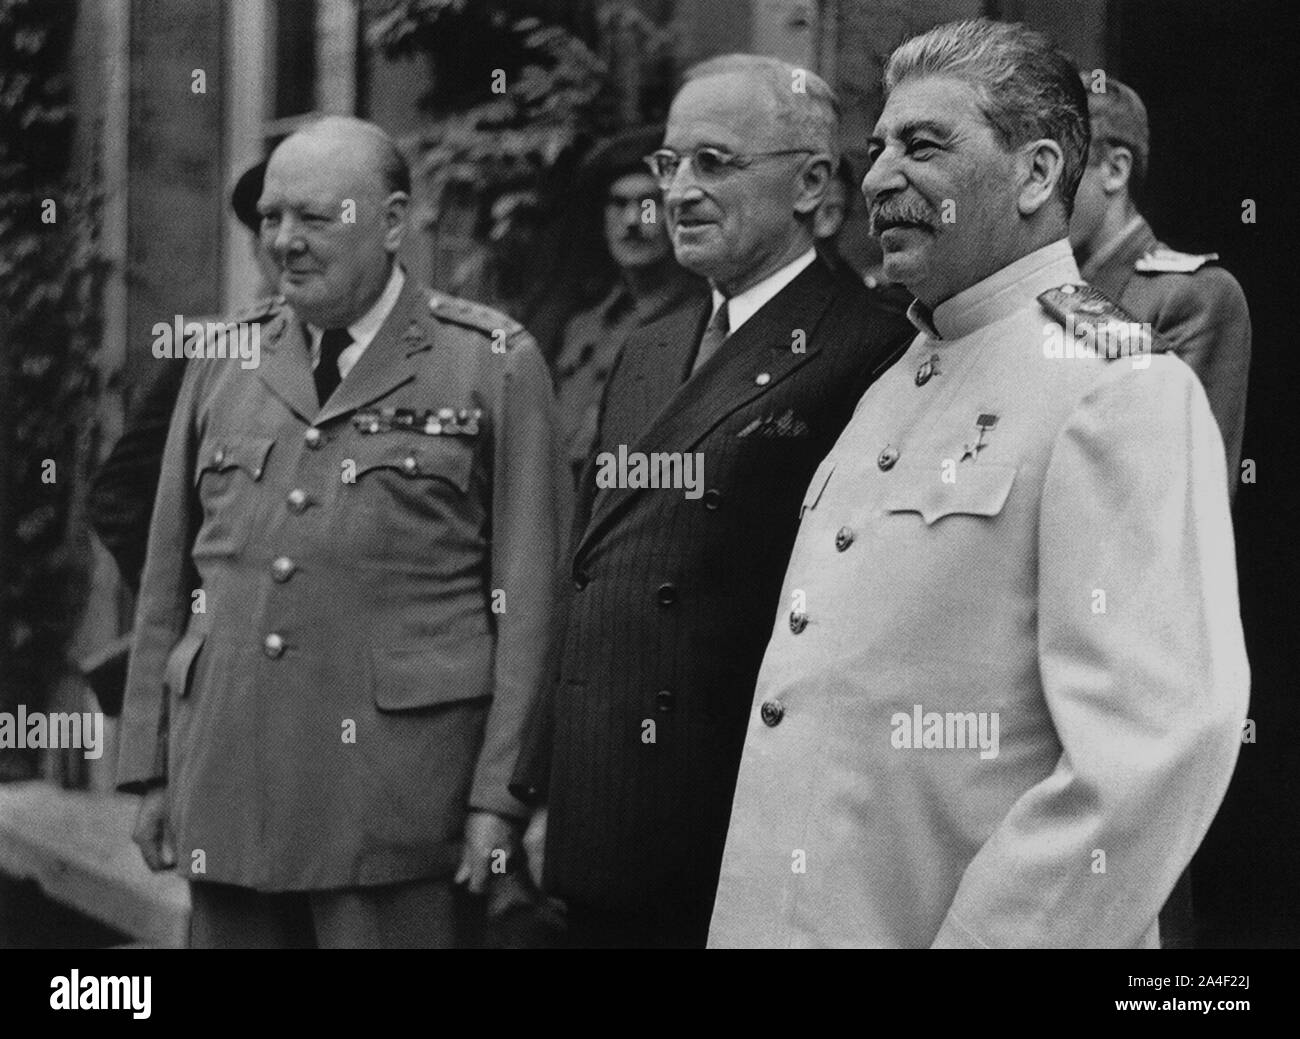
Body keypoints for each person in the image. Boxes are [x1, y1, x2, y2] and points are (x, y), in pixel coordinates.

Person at [708, 19, 1248, 948]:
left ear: (1037, 174)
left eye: (923, 145)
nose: (877, 176)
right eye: (876, 147)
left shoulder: (1119, 384)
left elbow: (1151, 752)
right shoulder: (889, 380)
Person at [116, 116, 568, 948]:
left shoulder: (492, 361)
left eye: (314, 219)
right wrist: (150, 769)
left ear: (392, 222)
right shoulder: (225, 360)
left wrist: (498, 798)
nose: (283, 241)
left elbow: (531, 603)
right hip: (229, 787)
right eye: (271, 219)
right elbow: (167, 583)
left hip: (395, 807)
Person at [511, 54, 913, 948]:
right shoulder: (650, 345)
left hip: (731, 821)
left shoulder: (867, 349)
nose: (678, 193)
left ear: (812, 185)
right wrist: (543, 789)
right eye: (669, 164)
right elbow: (590, 570)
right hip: (604, 809)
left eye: (714, 164)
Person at [83, 161, 276, 715]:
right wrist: (192, 594)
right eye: (270, 230)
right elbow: (118, 493)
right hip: (235, 669)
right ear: (257, 252)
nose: (289, 245)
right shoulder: (215, 353)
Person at [1070, 74, 1251, 486]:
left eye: (1062, 169)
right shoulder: (1038, 288)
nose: (1040, 190)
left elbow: (1183, 492)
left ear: (1115, 170)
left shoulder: (1194, 296)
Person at [550, 127, 705, 484]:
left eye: (648, 205)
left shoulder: (707, 323)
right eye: (619, 205)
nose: (633, 221)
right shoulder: (582, 326)